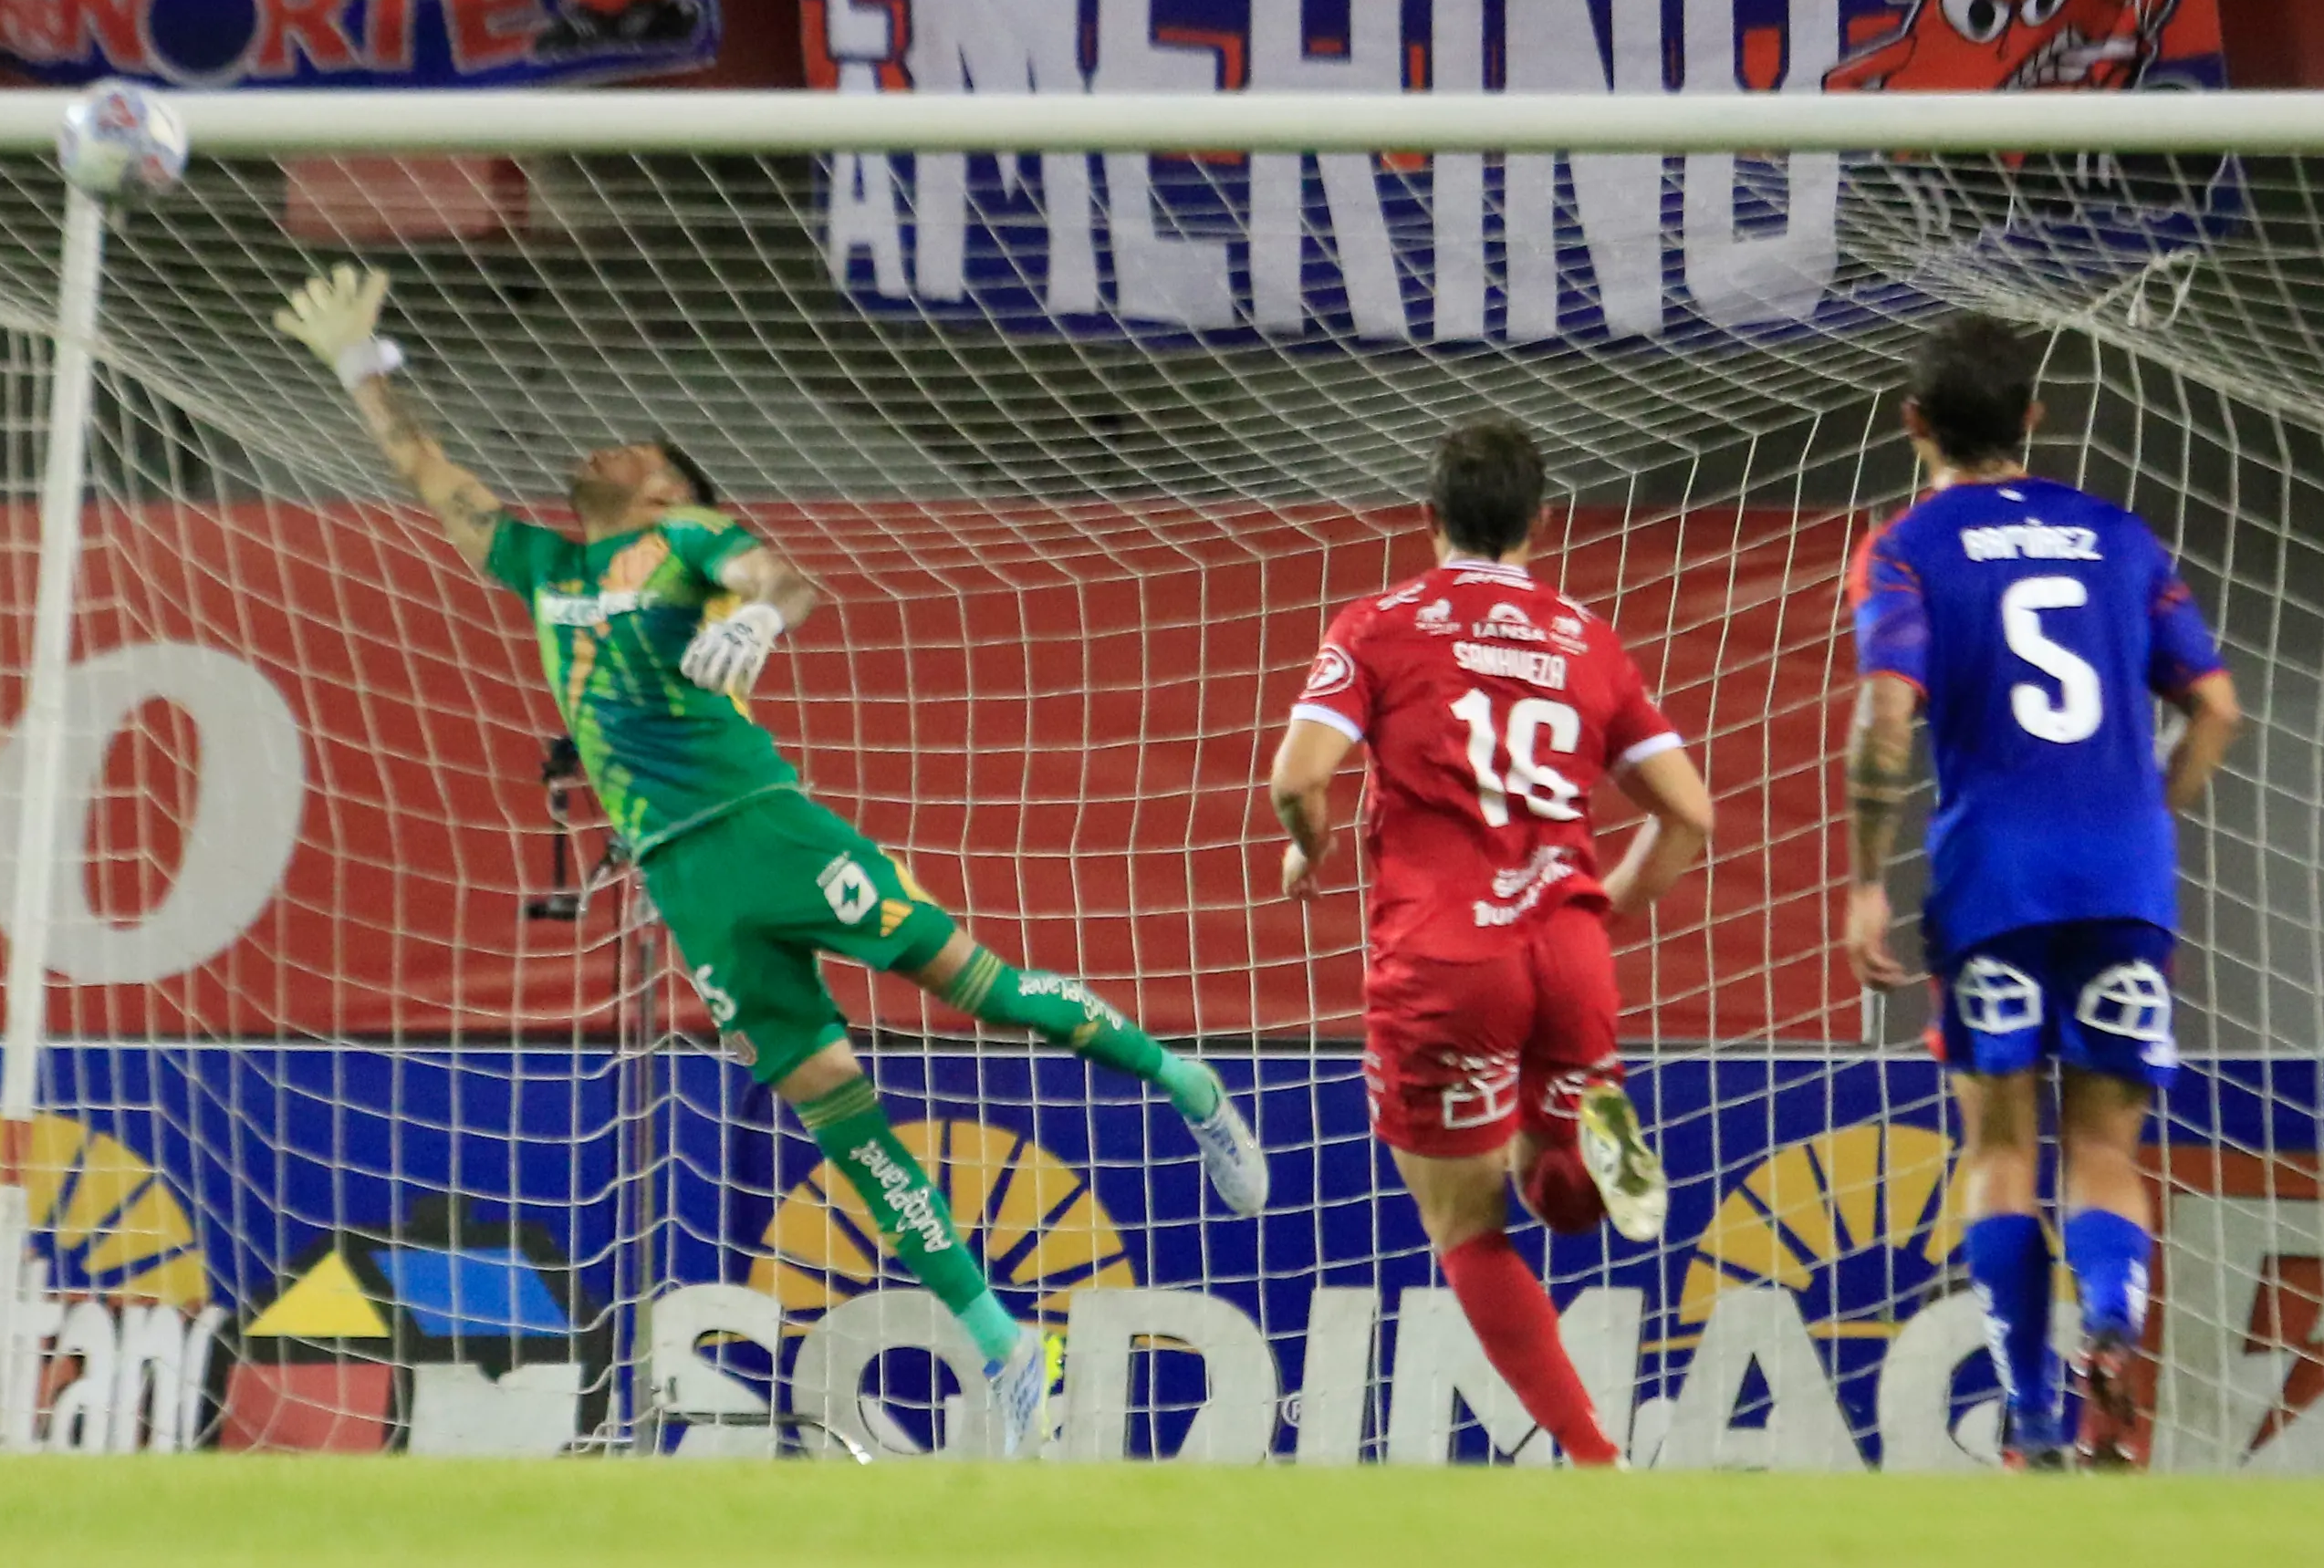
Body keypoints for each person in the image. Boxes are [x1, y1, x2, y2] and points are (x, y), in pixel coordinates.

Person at [268, 265, 1265, 1459]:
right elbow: (437, 481)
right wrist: (362, 368)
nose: (610, 449)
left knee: (977, 990)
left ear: (673, 487)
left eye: (637, 447)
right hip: (685, 881)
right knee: (833, 1107)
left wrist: (750, 618)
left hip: (766, 825)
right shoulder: (545, 568)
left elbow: (780, 578)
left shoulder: (684, 536)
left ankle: (1187, 1085)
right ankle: (998, 1341)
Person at [1266, 418, 1714, 1468]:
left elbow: (1296, 777)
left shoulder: (1380, 621)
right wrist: (1595, 911)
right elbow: (1688, 814)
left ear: (1427, 520)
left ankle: (1592, 1455)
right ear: (1537, 522)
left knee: (1467, 1227)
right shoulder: (1583, 635)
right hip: (1565, 947)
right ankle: (1581, 1146)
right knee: (1551, 1183)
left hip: (1445, 959)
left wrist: (1307, 846)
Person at [1841, 314, 2240, 1469]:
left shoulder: (1909, 547)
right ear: (2033, 417)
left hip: (1992, 883)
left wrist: (1866, 879)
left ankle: (2028, 1413)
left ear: (1913, 422)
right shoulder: (2119, 538)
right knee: (2106, 1146)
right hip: (2122, 879)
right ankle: (2110, 1317)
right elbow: (2215, 704)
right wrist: (2144, 816)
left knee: (2001, 1149)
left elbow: (1883, 716)